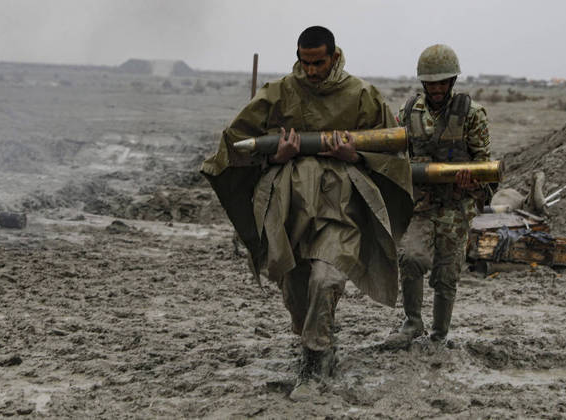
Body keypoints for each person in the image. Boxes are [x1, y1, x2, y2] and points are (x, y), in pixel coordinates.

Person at [201, 26, 413, 399]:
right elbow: (234, 142)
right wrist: (274, 155)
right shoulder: (278, 93)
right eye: (305, 62)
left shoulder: (362, 95)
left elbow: (394, 148)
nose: (311, 71)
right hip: (289, 208)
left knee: (327, 279)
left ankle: (315, 365)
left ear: (333, 56)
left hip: (340, 206)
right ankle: (318, 341)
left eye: (318, 62)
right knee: (296, 289)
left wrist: (356, 154)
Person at [383, 44, 491, 349]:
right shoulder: (408, 112)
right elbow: (392, 152)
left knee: (446, 276)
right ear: (423, 83)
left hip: (456, 209)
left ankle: (440, 333)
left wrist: (472, 180)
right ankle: (412, 322)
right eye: (431, 83)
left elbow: (486, 165)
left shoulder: (473, 115)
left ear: (452, 82)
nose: (437, 89)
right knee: (411, 258)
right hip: (421, 206)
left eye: (442, 83)